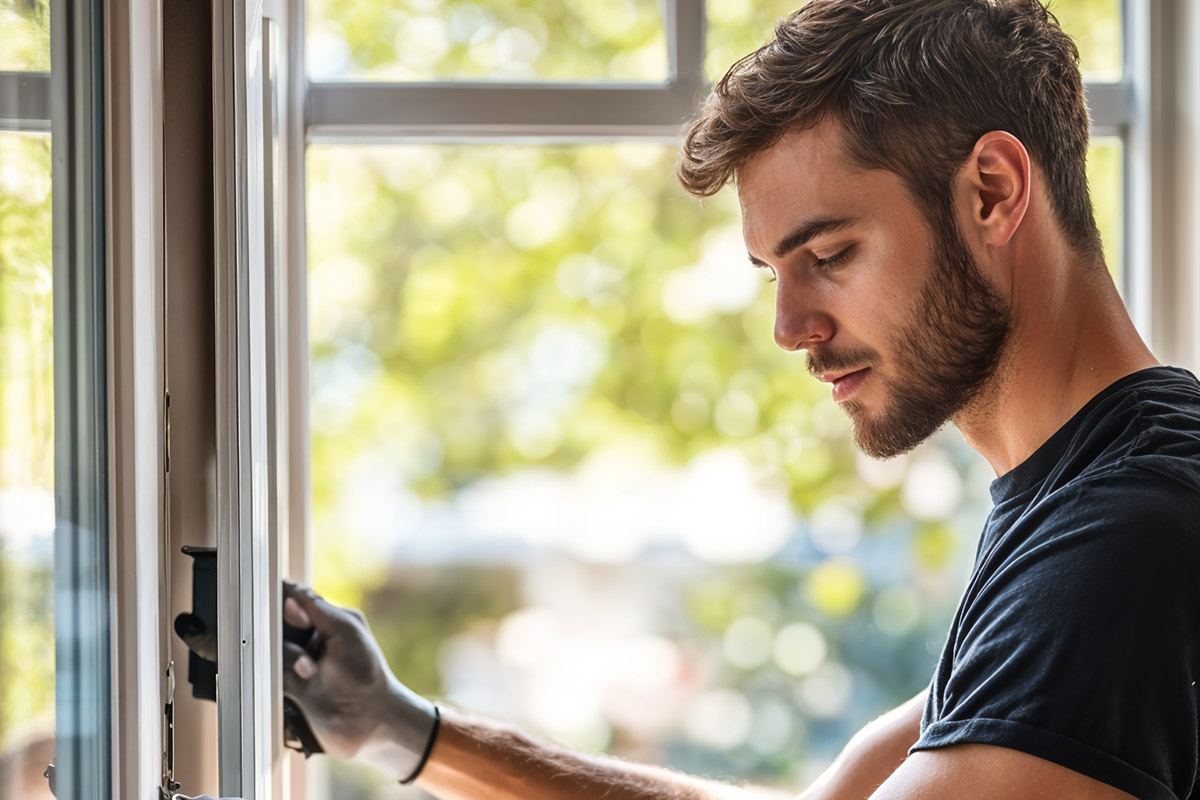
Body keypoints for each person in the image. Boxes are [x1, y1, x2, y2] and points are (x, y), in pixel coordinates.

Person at [280, 1, 1200, 798]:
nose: (790, 326)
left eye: (830, 256)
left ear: (993, 192)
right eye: (773, 274)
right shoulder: (1080, 505)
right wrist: (403, 732)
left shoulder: (1130, 540)